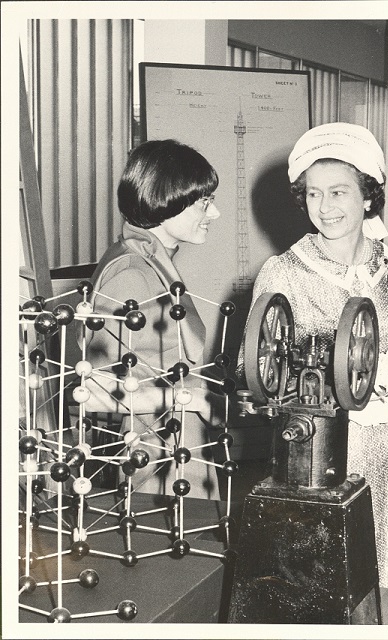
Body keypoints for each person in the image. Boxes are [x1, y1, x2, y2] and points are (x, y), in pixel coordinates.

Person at [238, 122, 388, 591]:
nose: (325, 208)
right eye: (314, 194)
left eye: (339, 192)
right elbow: (255, 371)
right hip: (315, 453)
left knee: (383, 579)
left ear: (367, 196)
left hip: (381, 448)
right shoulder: (285, 272)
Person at [83, 139, 224, 499]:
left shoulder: (152, 261)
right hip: (154, 460)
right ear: (167, 201)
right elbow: (93, 393)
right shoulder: (130, 272)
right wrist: (190, 399)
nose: (214, 213)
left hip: (176, 445)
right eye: (204, 203)